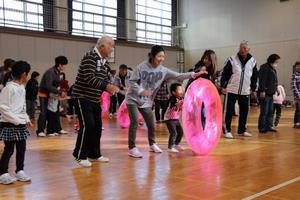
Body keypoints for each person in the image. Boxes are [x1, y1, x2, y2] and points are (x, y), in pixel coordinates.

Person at [126, 45, 206, 158]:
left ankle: (152, 144)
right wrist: (141, 91)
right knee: (134, 122)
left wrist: (192, 74)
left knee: (151, 124)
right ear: (152, 56)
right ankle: (132, 148)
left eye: (163, 56)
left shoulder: (163, 71)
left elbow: (178, 76)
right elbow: (132, 82)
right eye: (159, 56)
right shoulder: (141, 67)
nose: (162, 59)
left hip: (146, 101)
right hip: (133, 99)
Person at [72, 36, 119, 167]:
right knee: (88, 126)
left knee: (97, 127)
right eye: (110, 46)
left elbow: (103, 80)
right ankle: (80, 155)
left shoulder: (104, 62)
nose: (112, 49)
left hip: (94, 99)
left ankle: (94, 154)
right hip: (82, 97)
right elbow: (89, 78)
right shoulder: (90, 57)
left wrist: (110, 87)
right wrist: (106, 87)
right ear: (102, 46)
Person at [0, 61, 32, 185]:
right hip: (9, 123)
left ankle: (20, 170)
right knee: (9, 149)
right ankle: (2, 173)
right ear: (24, 74)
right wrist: (16, 120)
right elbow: (3, 107)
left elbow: (22, 106)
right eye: (28, 73)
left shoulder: (22, 88)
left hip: (20, 123)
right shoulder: (9, 88)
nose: (29, 76)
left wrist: (27, 119)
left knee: (21, 148)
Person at [221, 41, 258, 139]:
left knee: (245, 111)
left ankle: (242, 130)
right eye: (241, 48)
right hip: (232, 89)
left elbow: (255, 76)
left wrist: (253, 89)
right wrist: (223, 85)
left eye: (245, 48)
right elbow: (224, 73)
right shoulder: (232, 59)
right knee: (228, 111)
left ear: (248, 49)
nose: (243, 50)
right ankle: (226, 130)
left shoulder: (253, 61)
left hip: (245, 91)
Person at [36, 56, 68, 137]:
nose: (65, 67)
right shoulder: (50, 72)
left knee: (56, 112)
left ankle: (57, 129)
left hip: (52, 95)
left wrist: (61, 91)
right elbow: (49, 86)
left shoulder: (58, 73)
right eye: (64, 65)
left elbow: (56, 85)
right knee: (44, 113)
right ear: (60, 65)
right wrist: (60, 92)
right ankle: (40, 130)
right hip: (44, 95)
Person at [258, 54, 280, 133]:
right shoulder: (264, 67)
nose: (277, 62)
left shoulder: (273, 68)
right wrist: (262, 90)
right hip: (265, 93)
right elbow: (262, 80)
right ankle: (262, 127)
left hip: (271, 93)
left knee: (271, 111)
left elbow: (275, 80)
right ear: (272, 60)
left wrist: (277, 88)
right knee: (264, 111)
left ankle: (269, 126)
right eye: (276, 61)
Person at [165, 83, 185, 153]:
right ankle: (170, 147)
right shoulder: (173, 99)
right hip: (169, 119)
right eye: (179, 90)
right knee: (173, 133)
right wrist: (183, 103)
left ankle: (176, 144)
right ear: (173, 92)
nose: (181, 91)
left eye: (181, 89)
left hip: (176, 118)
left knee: (181, 132)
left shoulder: (182, 98)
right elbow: (175, 104)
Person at [291, 61, 300, 128]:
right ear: (295, 67)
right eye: (297, 66)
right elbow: (293, 86)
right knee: (298, 110)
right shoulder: (294, 75)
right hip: (298, 96)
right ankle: (296, 123)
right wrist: (298, 95)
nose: (299, 67)